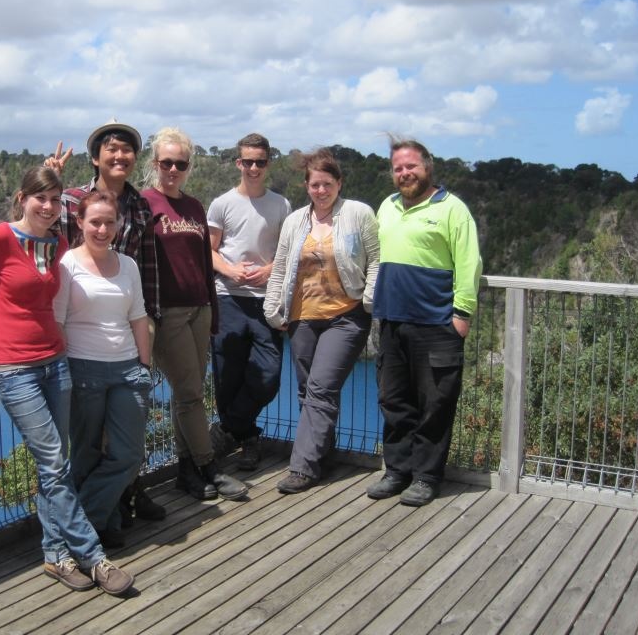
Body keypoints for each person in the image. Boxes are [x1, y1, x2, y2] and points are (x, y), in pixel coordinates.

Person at [0, 166, 134, 596]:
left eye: (55, 199)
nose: (47, 206)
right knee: (55, 462)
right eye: (39, 198)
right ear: (21, 198)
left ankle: (55, 555)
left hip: (55, 363)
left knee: (53, 465)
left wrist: (52, 173)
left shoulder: (56, 242)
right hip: (15, 368)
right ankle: (94, 558)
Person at [46, 121, 166, 525]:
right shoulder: (69, 200)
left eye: (127, 150)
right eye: (111, 149)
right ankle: (101, 521)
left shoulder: (140, 206)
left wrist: (148, 337)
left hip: (129, 329)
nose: (119, 156)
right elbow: (38, 232)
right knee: (88, 446)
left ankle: (116, 504)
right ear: (95, 158)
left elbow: (147, 266)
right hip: (84, 341)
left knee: (125, 442)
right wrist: (49, 181)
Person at [367, 137, 482, 507]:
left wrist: (461, 314)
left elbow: (469, 263)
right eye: (398, 168)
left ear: (427, 167)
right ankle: (396, 471)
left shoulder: (452, 209)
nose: (404, 173)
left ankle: (426, 477)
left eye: (411, 166)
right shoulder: (387, 206)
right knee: (393, 401)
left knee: (435, 404)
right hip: (391, 321)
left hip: (436, 324)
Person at [141, 127, 249, 501]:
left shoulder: (194, 207)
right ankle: (210, 467)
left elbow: (205, 263)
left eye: (181, 164)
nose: (173, 169)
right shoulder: (144, 203)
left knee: (185, 394)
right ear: (155, 163)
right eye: (166, 162)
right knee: (190, 393)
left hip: (200, 308)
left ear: (189, 166)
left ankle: (187, 472)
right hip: (167, 313)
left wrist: (212, 311)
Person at [264, 149, 380, 494]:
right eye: (315, 185)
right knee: (307, 392)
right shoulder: (295, 221)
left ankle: (302, 467)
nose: (321, 190)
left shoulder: (358, 214)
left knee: (321, 388)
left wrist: (370, 298)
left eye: (327, 184)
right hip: (302, 317)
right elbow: (280, 266)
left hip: (346, 316)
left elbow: (376, 259)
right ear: (307, 186)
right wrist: (272, 309)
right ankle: (323, 456)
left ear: (339, 183)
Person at [54, 190, 154, 551]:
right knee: (85, 454)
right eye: (94, 222)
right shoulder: (67, 264)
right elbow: (57, 321)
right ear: (80, 222)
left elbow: (138, 317)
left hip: (127, 369)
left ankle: (79, 526)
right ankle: (105, 524)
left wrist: (144, 366)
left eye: (109, 222)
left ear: (119, 224)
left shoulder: (127, 265)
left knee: (128, 454)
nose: (102, 229)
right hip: (84, 369)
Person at [207, 133, 291, 470]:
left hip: (266, 301)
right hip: (227, 297)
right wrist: (230, 270)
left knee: (268, 375)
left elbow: (287, 252)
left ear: (268, 163)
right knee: (227, 378)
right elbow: (209, 250)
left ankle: (226, 430)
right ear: (238, 163)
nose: (253, 168)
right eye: (248, 162)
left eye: (260, 162)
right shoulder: (222, 204)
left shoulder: (281, 205)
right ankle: (248, 440)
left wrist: (268, 271)